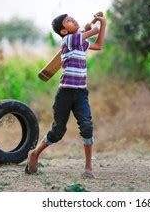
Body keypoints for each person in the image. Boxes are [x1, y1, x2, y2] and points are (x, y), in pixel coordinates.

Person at [25, 12, 106, 179]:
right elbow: (92, 33)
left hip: (81, 93)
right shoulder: (68, 41)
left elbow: (98, 45)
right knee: (58, 131)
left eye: (72, 18)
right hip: (65, 94)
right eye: (68, 21)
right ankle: (34, 154)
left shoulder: (80, 42)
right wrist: (97, 25)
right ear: (63, 31)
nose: (73, 19)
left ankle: (88, 167)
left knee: (86, 126)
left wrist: (102, 24)